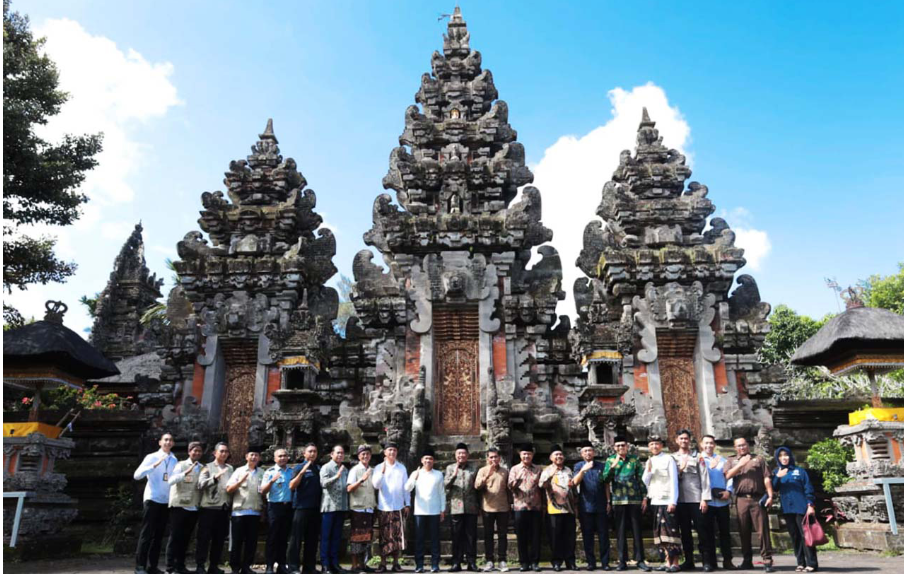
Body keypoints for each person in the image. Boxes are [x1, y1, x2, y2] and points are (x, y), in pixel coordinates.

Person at [725, 437, 775, 573]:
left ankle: (767, 559)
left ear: (748, 445)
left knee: (762, 531)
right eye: (739, 446)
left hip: (757, 498)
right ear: (735, 448)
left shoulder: (758, 459)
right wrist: (741, 464)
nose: (742, 448)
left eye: (744, 445)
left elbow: (766, 477)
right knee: (743, 531)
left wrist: (770, 495)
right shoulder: (731, 460)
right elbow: (727, 475)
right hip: (741, 499)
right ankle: (747, 560)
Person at [601, 436, 650, 572]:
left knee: (637, 530)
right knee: (620, 532)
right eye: (618, 446)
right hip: (618, 500)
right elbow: (605, 479)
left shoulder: (634, 460)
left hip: (635, 499)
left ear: (627, 446)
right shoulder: (610, 460)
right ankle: (622, 560)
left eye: (623, 445)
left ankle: (640, 560)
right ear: (614, 448)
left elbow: (641, 479)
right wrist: (613, 465)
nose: (621, 448)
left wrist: (645, 497)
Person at [134, 432, 178, 574]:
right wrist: (154, 465)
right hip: (152, 499)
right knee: (147, 533)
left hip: (166, 501)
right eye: (165, 440)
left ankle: (152, 566)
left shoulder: (174, 460)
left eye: (171, 440)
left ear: (173, 443)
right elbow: (137, 475)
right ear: (160, 442)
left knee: (159, 536)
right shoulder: (151, 457)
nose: (168, 442)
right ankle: (140, 566)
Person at [772, 447, 818, 573]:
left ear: (790, 456)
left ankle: (812, 563)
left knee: (806, 536)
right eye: (780, 455)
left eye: (786, 455)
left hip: (801, 508)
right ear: (778, 458)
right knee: (795, 536)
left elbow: (808, 488)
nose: (784, 458)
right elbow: (773, 488)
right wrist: (777, 476)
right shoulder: (778, 471)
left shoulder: (800, 471)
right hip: (787, 509)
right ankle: (800, 563)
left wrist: (810, 505)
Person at [672, 430, 713, 572]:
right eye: (681, 438)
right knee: (685, 532)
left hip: (696, 499)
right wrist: (680, 470)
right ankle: (688, 560)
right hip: (681, 500)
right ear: (677, 440)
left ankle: (706, 561)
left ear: (690, 440)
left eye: (686, 439)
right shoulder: (672, 458)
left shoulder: (698, 456)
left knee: (702, 530)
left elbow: (704, 478)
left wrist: (705, 499)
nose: (684, 441)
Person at [642, 435, 680, 573]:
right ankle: (666, 561)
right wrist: (649, 470)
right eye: (651, 444)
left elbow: (674, 481)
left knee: (671, 532)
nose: (654, 447)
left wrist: (673, 501)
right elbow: (645, 481)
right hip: (656, 500)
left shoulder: (668, 459)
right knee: (659, 533)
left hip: (667, 500)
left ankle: (675, 563)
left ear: (661, 445)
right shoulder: (650, 460)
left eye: (656, 444)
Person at [165, 441, 204, 574]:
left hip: (193, 506)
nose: (197, 453)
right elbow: (171, 481)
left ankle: (180, 566)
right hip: (179, 506)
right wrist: (184, 473)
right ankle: (170, 567)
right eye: (194, 450)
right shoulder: (180, 465)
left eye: (199, 451)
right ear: (189, 452)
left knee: (186, 538)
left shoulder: (202, 467)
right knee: (175, 537)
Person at [405, 449, 446, 573]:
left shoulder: (438, 474)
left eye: (430, 459)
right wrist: (414, 478)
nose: (428, 461)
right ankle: (419, 565)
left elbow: (442, 493)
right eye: (426, 458)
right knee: (419, 539)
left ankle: (435, 565)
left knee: (435, 539)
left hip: (434, 511)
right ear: (422, 460)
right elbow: (407, 488)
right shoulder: (416, 473)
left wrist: (442, 509)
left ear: (433, 461)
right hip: (420, 511)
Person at [372, 442, 410, 573]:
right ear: (385, 453)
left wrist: (407, 503)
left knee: (397, 537)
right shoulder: (378, 467)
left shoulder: (402, 468)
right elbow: (376, 485)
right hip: (384, 506)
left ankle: (395, 563)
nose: (392, 452)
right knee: (384, 536)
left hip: (398, 506)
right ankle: (382, 564)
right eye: (390, 450)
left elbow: (406, 488)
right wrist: (382, 471)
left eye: (394, 450)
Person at [572, 443, 610, 571]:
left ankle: (605, 562)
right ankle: (591, 562)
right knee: (587, 536)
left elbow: (606, 484)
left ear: (594, 453)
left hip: (601, 505)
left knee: (603, 535)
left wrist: (608, 502)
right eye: (585, 451)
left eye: (590, 451)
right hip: (585, 506)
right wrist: (583, 470)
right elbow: (575, 482)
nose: (588, 453)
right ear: (582, 454)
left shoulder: (602, 465)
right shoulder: (578, 466)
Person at [196, 442, 233, 574]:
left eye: (226, 451)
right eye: (221, 451)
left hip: (223, 508)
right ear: (215, 453)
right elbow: (201, 484)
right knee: (204, 538)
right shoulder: (207, 467)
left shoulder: (230, 468)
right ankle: (200, 565)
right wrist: (215, 478)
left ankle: (214, 565)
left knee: (219, 539)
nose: (224, 454)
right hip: (209, 508)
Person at [539, 445, 576, 572]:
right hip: (553, 509)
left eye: (560, 454)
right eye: (556, 455)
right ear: (551, 458)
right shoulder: (547, 470)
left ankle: (570, 561)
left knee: (570, 536)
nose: (559, 457)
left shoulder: (568, 470)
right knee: (555, 537)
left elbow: (573, 487)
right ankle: (557, 561)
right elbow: (542, 485)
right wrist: (549, 477)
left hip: (569, 508)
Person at [226, 450, 264, 574]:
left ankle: (247, 566)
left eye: (256, 455)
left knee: (251, 542)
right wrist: (240, 481)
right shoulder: (239, 471)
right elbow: (229, 489)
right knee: (237, 541)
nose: (254, 457)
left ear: (259, 458)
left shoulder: (262, 473)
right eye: (251, 455)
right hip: (239, 512)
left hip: (255, 511)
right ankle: (235, 567)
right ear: (246, 456)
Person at [700, 435, 734, 571]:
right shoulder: (699, 459)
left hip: (722, 502)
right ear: (702, 445)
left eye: (711, 443)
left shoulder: (722, 460)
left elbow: (729, 477)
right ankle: (710, 562)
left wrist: (729, 491)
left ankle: (727, 560)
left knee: (725, 532)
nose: (709, 445)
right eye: (706, 443)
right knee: (707, 533)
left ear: (714, 445)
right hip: (707, 501)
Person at [508, 444, 542, 573]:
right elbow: (510, 486)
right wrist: (517, 480)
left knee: (535, 535)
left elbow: (542, 487)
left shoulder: (538, 469)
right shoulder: (515, 469)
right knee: (521, 536)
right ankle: (524, 562)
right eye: (524, 454)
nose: (526, 456)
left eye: (529, 454)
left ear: (532, 455)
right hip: (520, 507)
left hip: (535, 506)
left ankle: (535, 562)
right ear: (520, 455)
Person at [475, 447, 510, 573]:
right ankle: (489, 560)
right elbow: (477, 486)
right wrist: (488, 474)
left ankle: (502, 560)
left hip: (503, 507)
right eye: (491, 457)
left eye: (496, 457)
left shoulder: (505, 471)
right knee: (488, 535)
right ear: (487, 458)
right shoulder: (482, 470)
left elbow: (508, 489)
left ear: (499, 458)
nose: (493, 459)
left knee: (502, 535)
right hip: (487, 507)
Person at [445, 443, 479, 572]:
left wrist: (479, 506)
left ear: (467, 455)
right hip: (456, 507)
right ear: (455, 455)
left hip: (471, 507)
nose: (461, 455)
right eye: (459, 453)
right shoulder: (450, 468)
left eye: (463, 453)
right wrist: (453, 475)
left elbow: (478, 488)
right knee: (456, 536)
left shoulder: (474, 468)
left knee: (471, 536)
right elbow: (446, 485)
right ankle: (456, 562)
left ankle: (472, 562)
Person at [288, 443, 321, 574]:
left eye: (315, 451)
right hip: (301, 507)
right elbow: (291, 486)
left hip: (315, 507)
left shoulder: (318, 468)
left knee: (312, 538)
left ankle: (309, 567)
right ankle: (293, 567)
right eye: (310, 451)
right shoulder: (298, 467)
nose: (312, 454)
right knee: (296, 538)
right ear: (304, 454)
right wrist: (301, 473)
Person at [262, 448, 295, 574]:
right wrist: (271, 481)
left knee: (284, 536)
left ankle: (282, 564)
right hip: (274, 507)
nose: (282, 458)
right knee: (272, 537)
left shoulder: (291, 472)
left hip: (288, 507)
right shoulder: (269, 472)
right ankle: (269, 565)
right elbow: (263, 491)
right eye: (280, 456)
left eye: (285, 455)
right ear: (275, 458)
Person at [347, 445, 377, 574]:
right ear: (359, 456)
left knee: (367, 538)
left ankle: (363, 564)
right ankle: (354, 565)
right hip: (358, 508)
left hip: (369, 507)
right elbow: (349, 489)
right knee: (356, 538)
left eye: (368, 454)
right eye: (363, 454)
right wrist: (361, 480)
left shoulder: (372, 470)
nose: (365, 456)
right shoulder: (355, 470)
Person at [320, 445, 350, 574]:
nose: (340, 455)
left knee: (337, 537)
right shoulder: (326, 467)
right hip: (329, 507)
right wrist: (336, 476)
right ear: (332, 454)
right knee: (326, 536)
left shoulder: (345, 469)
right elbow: (323, 483)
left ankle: (335, 563)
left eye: (342, 453)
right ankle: (325, 564)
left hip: (341, 507)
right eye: (337, 453)